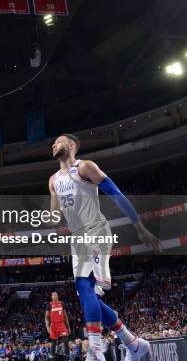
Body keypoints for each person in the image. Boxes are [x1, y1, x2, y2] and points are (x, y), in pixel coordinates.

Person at [49, 134, 161, 361]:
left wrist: (138, 226)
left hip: (96, 230)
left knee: (84, 285)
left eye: (58, 141)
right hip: (78, 238)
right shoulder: (53, 181)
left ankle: (95, 349)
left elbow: (115, 193)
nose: (53, 144)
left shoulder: (85, 167)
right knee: (89, 297)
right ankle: (133, 343)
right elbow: (54, 216)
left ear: (72, 146)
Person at [45, 291, 70, 360]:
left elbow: (65, 316)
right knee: (54, 341)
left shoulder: (62, 303)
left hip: (61, 323)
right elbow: (46, 317)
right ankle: (52, 356)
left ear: (58, 296)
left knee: (65, 339)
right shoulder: (49, 305)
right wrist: (47, 326)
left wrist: (68, 327)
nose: (55, 296)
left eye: (56, 295)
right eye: (54, 295)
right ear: (51, 297)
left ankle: (67, 355)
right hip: (53, 324)